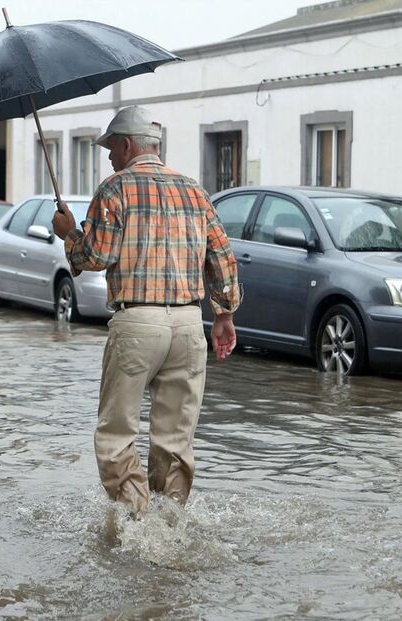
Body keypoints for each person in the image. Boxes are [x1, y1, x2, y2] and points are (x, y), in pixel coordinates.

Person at [51, 106, 240, 516]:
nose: (108, 157)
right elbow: (222, 254)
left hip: (138, 323)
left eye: (110, 149)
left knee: (116, 435)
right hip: (190, 325)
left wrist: (70, 235)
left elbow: (97, 256)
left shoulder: (115, 188)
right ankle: (170, 524)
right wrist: (223, 314)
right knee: (175, 441)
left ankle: (137, 522)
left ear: (126, 145)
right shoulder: (194, 189)